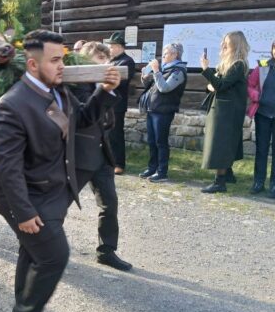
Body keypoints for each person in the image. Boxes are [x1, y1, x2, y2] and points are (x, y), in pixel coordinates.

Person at [0, 30, 120, 312]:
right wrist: (24, 212)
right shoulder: (11, 106)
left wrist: (104, 91)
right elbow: (8, 168)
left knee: (32, 252)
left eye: (63, 57)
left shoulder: (58, 91)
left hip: (53, 192)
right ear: (33, 65)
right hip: (24, 196)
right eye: (55, 60)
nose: (63, 65)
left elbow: (85, 118)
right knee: (54, 255)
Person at [70, 42, 132, 271]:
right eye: (99, 61)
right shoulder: (76, 85)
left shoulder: (103, 85)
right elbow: (85, 116)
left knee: (109, 202)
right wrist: (103, 90)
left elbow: (107, 120)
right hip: (78, 155)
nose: (105, 67)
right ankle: (36, 247)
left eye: (106, 62)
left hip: (101, 154)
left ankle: (106, 251)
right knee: (58, 204)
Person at [200, 31, 249, 193]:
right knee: (225, 143)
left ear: (235, 45)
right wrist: (213, 83)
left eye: (226, 43)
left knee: (221, 145)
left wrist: (206, 69)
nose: (223, 46)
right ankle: (228, 174)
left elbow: (220, 86)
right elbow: (213, 85)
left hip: (227, 112)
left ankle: (219, 182)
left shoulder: (238, 65)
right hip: (223, 110)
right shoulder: (228, 64)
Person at [138, 43, 188, 182]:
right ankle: (152, 168)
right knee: (152, 141)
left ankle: (162, 172)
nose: (163, 56)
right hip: (153, 109)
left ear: (175, 54)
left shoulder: (178, 71)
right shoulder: (164, 68)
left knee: (161, 142)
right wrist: (145, 76)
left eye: (165, 53)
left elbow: (164, 88)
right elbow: (151, 86)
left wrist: (156, 71)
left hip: (164, 111)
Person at [246, 40, 275, 197]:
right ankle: (258, 182)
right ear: (272, 49)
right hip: (263, 114)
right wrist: (257, 96)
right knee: (261, 150)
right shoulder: (262, 65)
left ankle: (274, 186)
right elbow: (249, 84)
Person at [105, 31, 134, 174]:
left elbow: (121, 82)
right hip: (106, 103)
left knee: (116, 134)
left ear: (120, 46)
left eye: (112, 46)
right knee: (107, 134)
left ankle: (119, 163)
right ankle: (109, 160)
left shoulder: (127, 61)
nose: (110, 49)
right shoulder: (111, 61)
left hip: (117, 104)